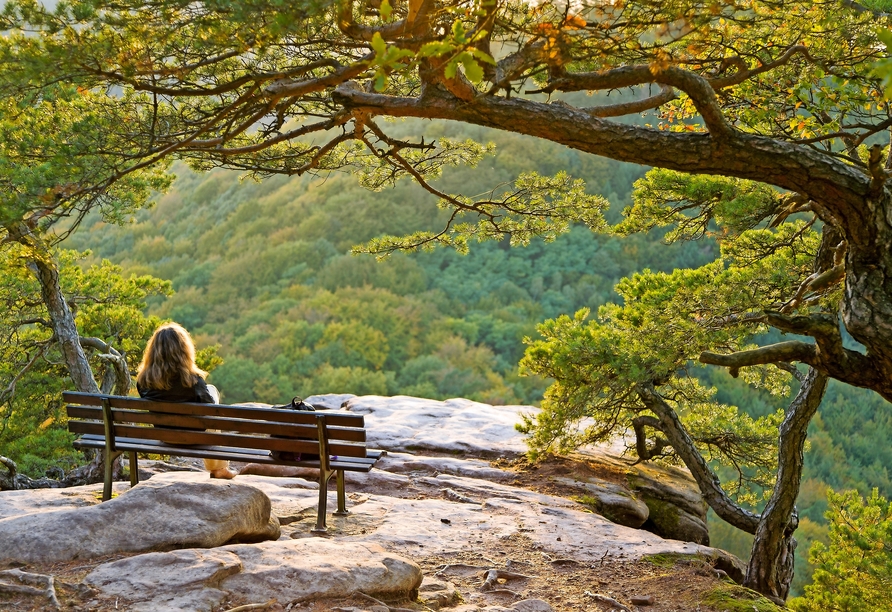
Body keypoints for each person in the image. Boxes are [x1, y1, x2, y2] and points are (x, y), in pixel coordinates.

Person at [136, 322, 237, 479]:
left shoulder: (144, 381)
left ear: (153, 351)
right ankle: (219, 469)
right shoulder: (193, 381)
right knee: (211, 395)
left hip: (165, 436)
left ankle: (219, 468)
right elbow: (211, 413)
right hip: (192, 437)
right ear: (184, 350)